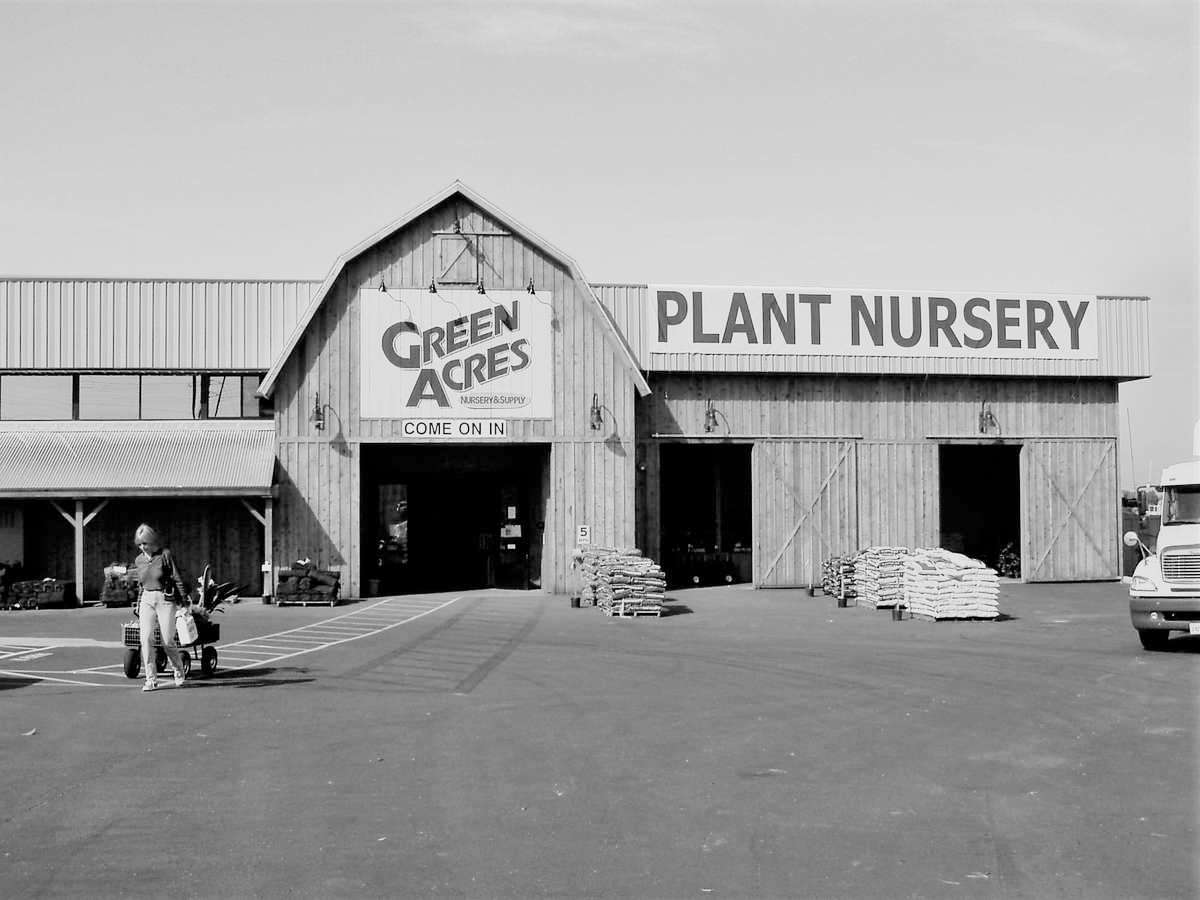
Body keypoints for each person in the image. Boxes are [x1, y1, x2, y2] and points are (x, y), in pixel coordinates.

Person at [132, 523, 187, 691]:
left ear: (152, 541)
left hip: (165, 598)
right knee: (145, 639)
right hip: (147, 599)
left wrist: (184, 602)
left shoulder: (164, 555)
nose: (143, 547)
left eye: (145, 543)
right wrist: (138, 603)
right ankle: (151, 679)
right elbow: (141, 584)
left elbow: (176, 577)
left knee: (167, 640)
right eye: (140, 544)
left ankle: (178, 670)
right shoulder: (139, 560)